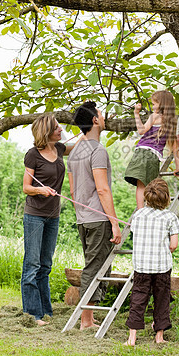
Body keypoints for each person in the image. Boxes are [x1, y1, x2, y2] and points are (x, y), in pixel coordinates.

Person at [67, 101, 122, 330]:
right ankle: (85, 321)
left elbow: (72, 190)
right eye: (101, 113)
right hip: (98, 218)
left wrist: (82, 213)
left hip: (83, 217)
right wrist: (114, 222)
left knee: (97, 266)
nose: (104, 116)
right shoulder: (97, 151)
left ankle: (88, 316)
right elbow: (102, 189)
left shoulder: (75, 153)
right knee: (95, 268)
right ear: (94, 120)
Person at [22, 113, 71, 326]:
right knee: (32, 264)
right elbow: (26, 187)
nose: (61, 130)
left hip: (53, 216)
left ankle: (45, 311)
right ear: (47, 132)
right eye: (57, 128)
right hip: (34, 216)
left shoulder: (59, 149)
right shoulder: (33, 155)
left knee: (46, 265)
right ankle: (32, 315)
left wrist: (91, 125)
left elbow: (82, 144)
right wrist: (40, 191)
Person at [125, 178, 179, 346]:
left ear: (147, 197)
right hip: (162, 267)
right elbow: (174, 245)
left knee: (138, 299)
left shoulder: (138, 214)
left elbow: (135, 233)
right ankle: (159, 337)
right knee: (161, 300)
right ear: (166, 198)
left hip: (141, 266)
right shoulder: (170, 217)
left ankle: (132, 338)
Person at [124, 90, 179, 209]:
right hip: (155, 157)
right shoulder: (172, 122)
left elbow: (141, 130)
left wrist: (136, 113)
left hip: (143, 152)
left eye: (154, 104)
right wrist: (178, 167)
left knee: (141, 185)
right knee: (150, 187)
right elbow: (175, 147)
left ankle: (140, 211)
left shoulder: (155, 116)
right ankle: (148, 209)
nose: (153, 106)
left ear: (161, 104)